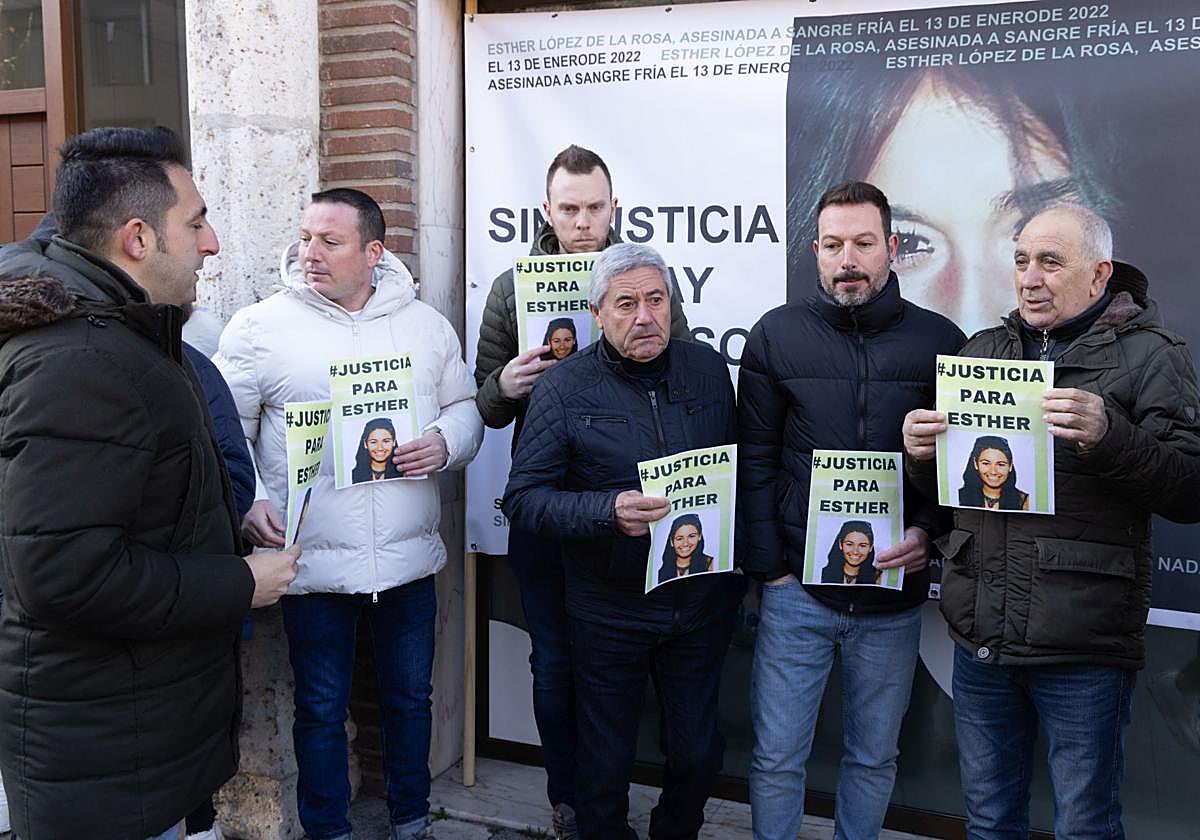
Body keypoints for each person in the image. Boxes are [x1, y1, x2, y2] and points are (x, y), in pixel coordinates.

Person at [0, 126, 299, 840]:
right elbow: (64, 574)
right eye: (195, 223)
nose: (214, 243)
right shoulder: (82, 362)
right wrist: (240, 583)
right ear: (137, 238)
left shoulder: (118, 334)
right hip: (105, 760)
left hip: (130, 737)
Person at [902, 204, 1200, 839]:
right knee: (987, 820)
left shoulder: (1154, 357)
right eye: (1021, 260)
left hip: (1082, 645)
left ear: (1099, 274)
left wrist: (1111, 437)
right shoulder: (984, 351)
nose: (1029, 278)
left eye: (1050, 261)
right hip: (982, 636)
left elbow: (1189, 491)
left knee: (1085, 826)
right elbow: (950, 498)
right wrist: (920, 455)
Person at [216, 187, 482, 840]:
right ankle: (327, 830)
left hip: (408, 559)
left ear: (372, 252)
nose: (309, 253)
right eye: (304, 237)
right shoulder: (259, 328)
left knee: (408, 704)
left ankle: (413, 821)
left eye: (328, 241)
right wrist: (249, 502)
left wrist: (445, 443)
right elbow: (225, 435)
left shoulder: (425, 326)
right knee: (321, 709)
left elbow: (466, 407)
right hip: (309, 564)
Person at [473, 144, 691, 839]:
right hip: (545, 505)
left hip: (630, 504)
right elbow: (484, 403)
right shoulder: (513, 286)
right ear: (546, 211)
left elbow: (677, 371)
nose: (583, 221)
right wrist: (506, 385)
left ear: (614, 206)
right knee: (556, 661)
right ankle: (570, 802)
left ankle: (619, 798)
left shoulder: (644, 276)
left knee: (630, 661)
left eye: (595, 207)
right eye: (569, 208)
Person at [739, 181, 964, 840]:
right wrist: (772, 572)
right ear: (815, 251)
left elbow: (957, 473)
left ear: (890, 247)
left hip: (892, 598)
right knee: (777, 757)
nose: (848, 260)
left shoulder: (941, 340)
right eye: (834, 245)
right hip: (797, 596)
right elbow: (755, 461)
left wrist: (930, 532)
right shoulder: (775, 337)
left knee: (873, 758)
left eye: (864, 244)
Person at [503, 242, 743, 840]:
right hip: (609, 605)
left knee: (697, 754)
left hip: (698, 599)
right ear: (598, 315)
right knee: (603, 764)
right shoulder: (563, 390)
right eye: (627, 303)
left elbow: (739, 470)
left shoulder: (708, 369)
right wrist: (605, 512)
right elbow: (524, 498)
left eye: (656, 300)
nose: (645, 316)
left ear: (672, 304)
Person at [958, 435, 1029, 512]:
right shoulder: (958, 497)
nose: (993, 472)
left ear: (1010, 465)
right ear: (976, 464)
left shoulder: (1024, 500)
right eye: (986, 463)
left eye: (1000, 464)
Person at [657, 513, 714, 584]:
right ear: (671, 541)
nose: (685, 543)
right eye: (680, 538)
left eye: (691, 536)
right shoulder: (663, 569)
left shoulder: (710, 563)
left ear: (699, 536)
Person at [820, 521, 878, 586]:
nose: (855, 551)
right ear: (840, 544)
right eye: (849, 544)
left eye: (862, 545)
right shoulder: (822, 574)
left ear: (870, 547)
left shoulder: (878, 577)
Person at [352, 417, 402, 483]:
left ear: (394, 442)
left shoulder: (403, 471)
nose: (380, 448)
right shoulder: (354, 474)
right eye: (373, 442)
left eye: (386, 441)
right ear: (365, 444)